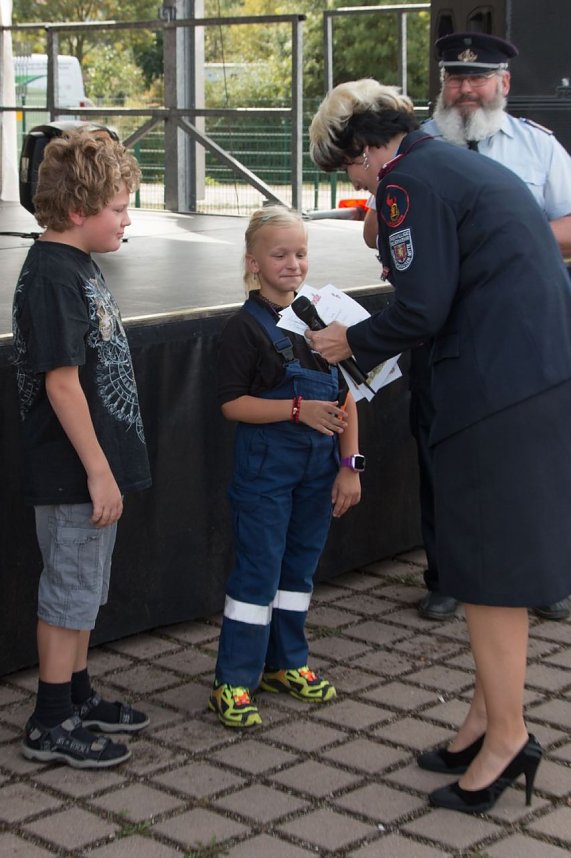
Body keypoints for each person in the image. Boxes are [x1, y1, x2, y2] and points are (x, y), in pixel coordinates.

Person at [308, 79, 571, 813]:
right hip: (529, 380)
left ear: (364, 149)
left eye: (347, 169)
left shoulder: (406, 184)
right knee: (488, 565)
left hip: (491, 393)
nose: (354, 185)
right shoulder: (459, 167)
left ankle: (508, 738)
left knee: (486, 575)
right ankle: (482, 722)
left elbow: (422, 306)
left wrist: (345, 340)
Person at [363, 31, 571, 622]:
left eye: (478, 79)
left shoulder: (539, 148)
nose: (466, 90)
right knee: (441, 452)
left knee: (529, 463)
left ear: (503, 84)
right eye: (455, 78)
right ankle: (447, 574)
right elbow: (377, 230)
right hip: (442, 333)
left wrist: (495, 241)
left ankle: (540, 576)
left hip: (516, 335)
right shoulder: (412, 150)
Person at [12, 129, 152, 768]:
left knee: (85, 590)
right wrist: (99, 472)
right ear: (78, 211)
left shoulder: (77, 263)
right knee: (67, 594)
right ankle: (48, 721)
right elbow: (61, 383)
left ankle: (76, 694)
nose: (127, 219)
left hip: (94, 472)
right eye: (119, 208)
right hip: (74, 474)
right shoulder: (51, 277)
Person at [209, 205, 362, 728]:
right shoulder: (242, 330)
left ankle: (287, 665)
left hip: (319, 473)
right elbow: (232, 404)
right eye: (280, 255)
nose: (293, 264)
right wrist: (296, 409)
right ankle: (233, 682)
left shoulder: (321, 321)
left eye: (300, 253)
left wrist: (350, 466)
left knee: (297, 572)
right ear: (253, 263)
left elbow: (348, 399)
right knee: (258, 572)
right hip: (265, 474)